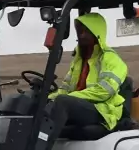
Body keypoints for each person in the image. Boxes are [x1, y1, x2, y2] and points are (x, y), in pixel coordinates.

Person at [47, 13, 129, 141]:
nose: (81, 35)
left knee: (63, 102)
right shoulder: (79, 60)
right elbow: (65, 88)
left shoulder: (111, 59)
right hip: (81, 107)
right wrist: (48, 99)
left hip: (102, 110)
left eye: (86, 32)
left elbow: (103, 92)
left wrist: (69, 97)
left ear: (97, 34)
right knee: (37, 103)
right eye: (79, 31)